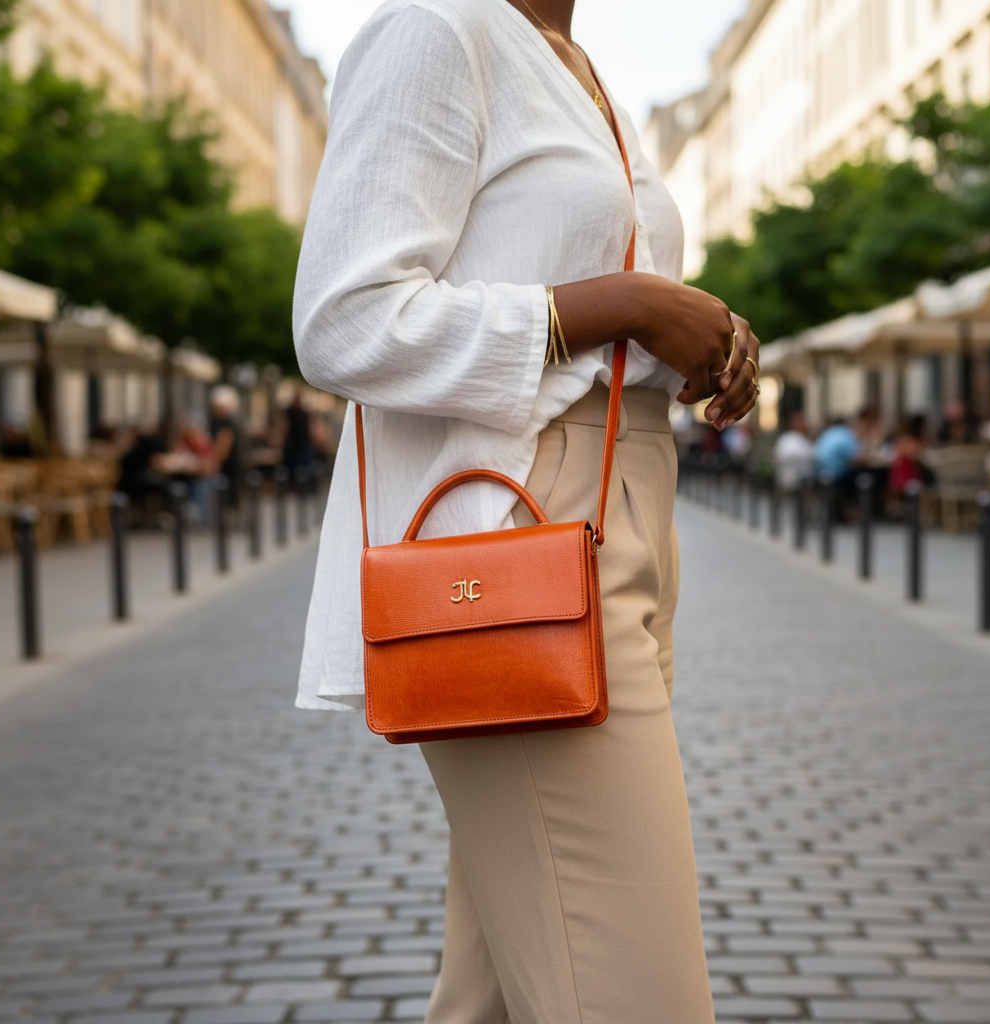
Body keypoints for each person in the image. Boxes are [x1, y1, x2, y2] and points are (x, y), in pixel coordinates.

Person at [292, 1, 760, 1019]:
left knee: (495, 996)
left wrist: (701, 336)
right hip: (514, 524)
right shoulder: (437, 29)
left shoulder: (577, 68)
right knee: (634, 995)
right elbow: (343, 319)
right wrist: (626, 303)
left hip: (628, 498)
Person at [774, 410, 815, 491]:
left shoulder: (786, 439)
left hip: (786, 480)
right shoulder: (794, 439)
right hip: (799, 481)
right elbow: (811, 456)